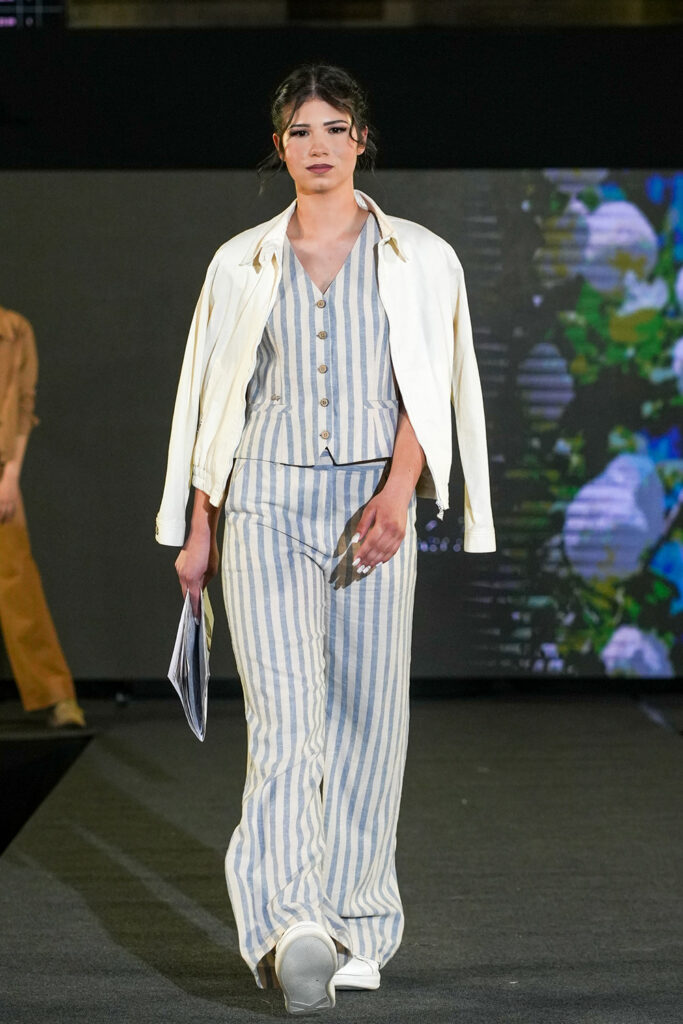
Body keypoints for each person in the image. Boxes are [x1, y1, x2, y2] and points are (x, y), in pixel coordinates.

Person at [156, 64, 495, 1015]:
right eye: (299, 130)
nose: (317, 145)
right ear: (279, 146)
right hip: (262, 500)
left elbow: (430, 385)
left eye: (333, 128)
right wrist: (198, 526)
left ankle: (358, 921)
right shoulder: (240, 262)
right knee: (285, 722)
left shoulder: (420, 256)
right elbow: (211, 399)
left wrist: (398, 493)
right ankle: (289, 922)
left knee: (367, 722)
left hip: (370, 506)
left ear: (359, 141)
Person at [0, 304, 85, 728]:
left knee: (16, 582)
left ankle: (57, 695)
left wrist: (10, 476)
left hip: (0, 472)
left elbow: (22, 406)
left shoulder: (13, 330)